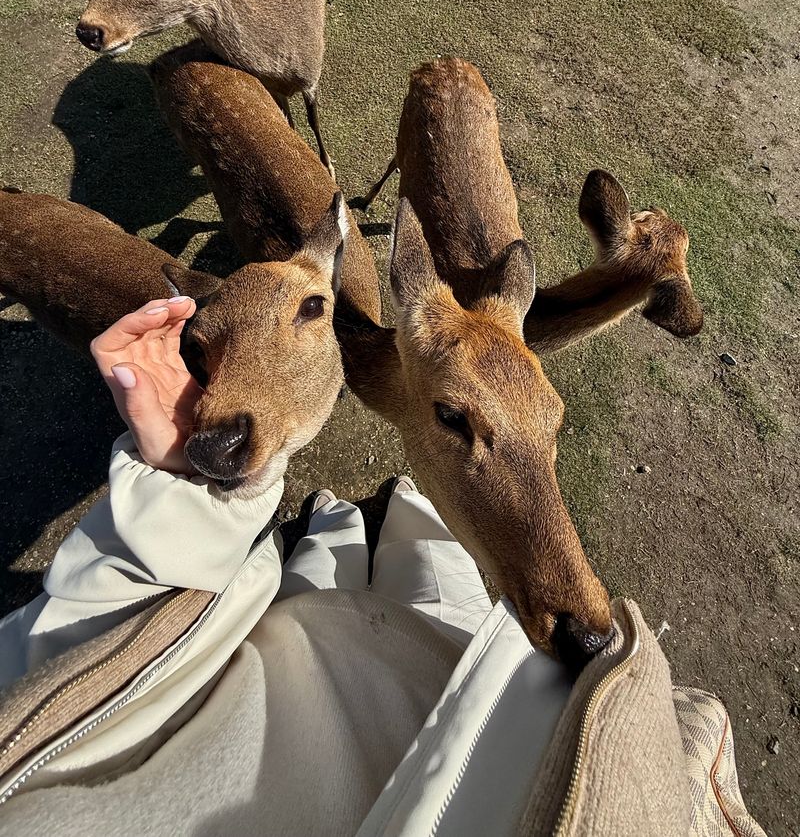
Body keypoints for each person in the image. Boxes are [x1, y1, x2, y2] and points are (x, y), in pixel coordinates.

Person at [0, 300, 763, 837]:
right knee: (427, 545)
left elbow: (57, 679)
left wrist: (176, 503)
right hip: (477, 657)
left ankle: (336, 518)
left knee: (329, 548)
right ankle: (384, 509)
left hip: (278, 641)